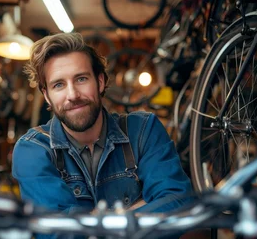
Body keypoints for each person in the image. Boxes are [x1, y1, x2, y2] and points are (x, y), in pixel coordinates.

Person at [12, 32, 193, 230]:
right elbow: (56, 232)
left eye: (81, 79)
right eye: (59, 85)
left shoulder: (143, 130)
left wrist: (88, 223)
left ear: (100, 82)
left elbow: (177, 204)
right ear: (47, 96)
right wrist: (137, 212)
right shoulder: (34, 149)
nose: (72, 95)